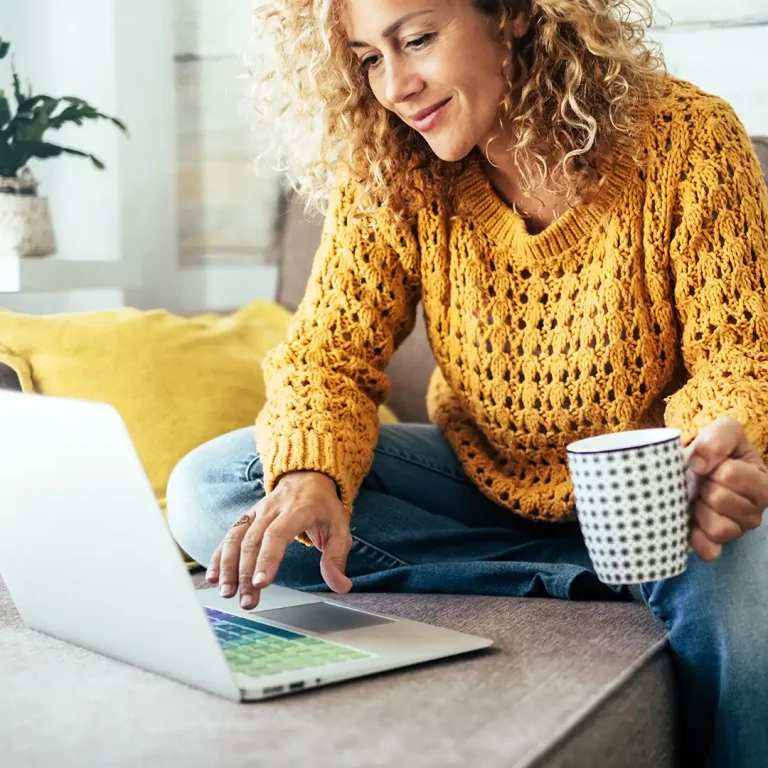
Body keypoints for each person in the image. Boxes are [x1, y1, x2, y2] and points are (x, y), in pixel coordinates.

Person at [166, 1, 768, 764]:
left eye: (416, 40)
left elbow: (740, 356)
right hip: (486, 483)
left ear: (515, 14)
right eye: (368, 58)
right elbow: (327, 354)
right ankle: (592, 577)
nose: (396, 86)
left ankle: (627, 569)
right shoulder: (392, 162)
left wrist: (714, 458)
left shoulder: (689, 139)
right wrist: (310, 471)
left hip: (655, 497)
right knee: (213, 486)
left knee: (752, 569)